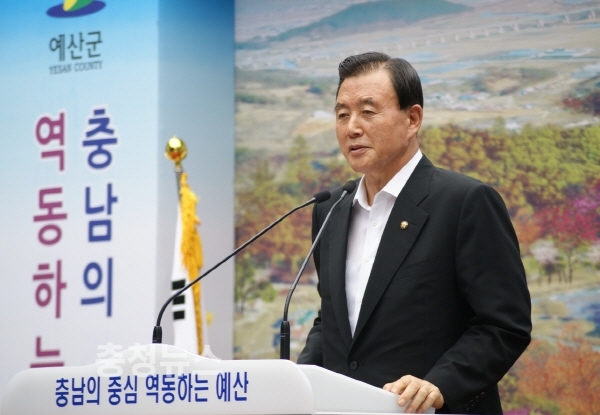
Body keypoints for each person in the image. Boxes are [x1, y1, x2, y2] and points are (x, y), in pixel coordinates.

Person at [297, 52, 532, 415]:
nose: (352, 128)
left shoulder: (464, 202)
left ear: (412, 119)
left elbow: (504, 325)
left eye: (368, 111)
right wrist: (297, 381)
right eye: (342, 114)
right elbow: (333, 321)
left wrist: (440, 385)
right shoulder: (331, 211)